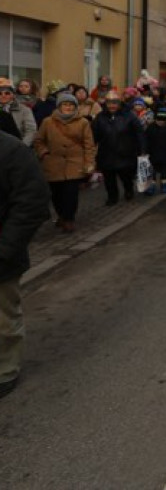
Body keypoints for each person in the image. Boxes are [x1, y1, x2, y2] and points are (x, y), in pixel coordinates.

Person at [0, 130, 51, 399]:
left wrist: (5, 248)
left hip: (2, 257)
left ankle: (5, 369)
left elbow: (32, 203)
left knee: (3, 319)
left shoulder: (12, 150)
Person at [32, 92, 96, 233]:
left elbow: (89, 145)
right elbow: (38, 140)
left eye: (71, 105)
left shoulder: (83, 122)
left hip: (75, 163)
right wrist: (43, 153)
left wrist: (89, 163)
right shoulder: (48, 122)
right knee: (56, 194)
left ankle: (69, 219)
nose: (68, 107)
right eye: (65, 104)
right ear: (59, 106)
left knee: (71, 194)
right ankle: (61, 215)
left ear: (75, 106)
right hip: (53, 163)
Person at [92, 91, 144, 206]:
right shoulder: (100, 118)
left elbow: (139, 133)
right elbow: (94, 136)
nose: (112, 105)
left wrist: (142, 150)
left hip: (125, 153)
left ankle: (129, 190)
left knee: (126, 177)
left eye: (115, 102)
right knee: (109, 179)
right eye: (109, 103)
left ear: (120, 103)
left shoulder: (130, 116)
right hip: (106, 154)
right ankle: (112, 196)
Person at [145, 107, 166, 194]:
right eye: (159, 120)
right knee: (152, 170)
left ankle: (164, 184)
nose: (161, 122)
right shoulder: (150, 128)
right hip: (153, 153)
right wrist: (145, 151)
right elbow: (146, 140)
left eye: (163, 120)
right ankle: (152, 185)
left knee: (165, 171)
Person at [0, 78, 36, 147]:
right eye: (0, 93)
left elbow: (31, 131)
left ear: (12, 95)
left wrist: (21, 146)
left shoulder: (24, 110)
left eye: (7, 93)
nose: (3, 95)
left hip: (17, 147)